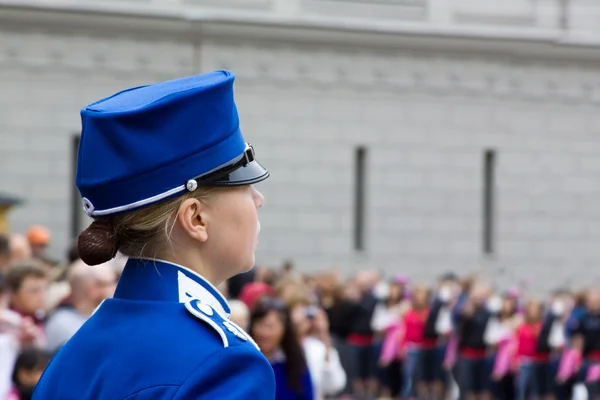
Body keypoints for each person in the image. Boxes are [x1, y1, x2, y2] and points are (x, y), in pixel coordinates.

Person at [33, 71, 275, 399]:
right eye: (242, 185)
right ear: (196, 218)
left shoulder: (77, 349)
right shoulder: (222, 362)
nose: (258, 200)